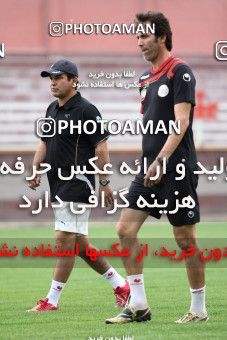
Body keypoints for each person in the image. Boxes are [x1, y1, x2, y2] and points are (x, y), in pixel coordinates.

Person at [106, 12, 208, 324]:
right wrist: (151, 162)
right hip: (149, 169)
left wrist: (162, 160)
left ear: (161, 37)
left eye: (144, 37)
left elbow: (181, 122)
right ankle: (138, 305)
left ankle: (199, 310)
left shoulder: (181, 71)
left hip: (175, 168)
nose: (139, 43)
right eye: (136, 37)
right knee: (125, 230)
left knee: (184, 238)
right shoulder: (144, 80)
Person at [27, 59, 130, 312]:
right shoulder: (51, 109)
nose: (52, 82)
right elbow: (44, 141)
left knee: (63, 241)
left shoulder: (87, 110)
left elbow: (101, 145)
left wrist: (105, 181)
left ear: (74, 80)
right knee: (80, 245)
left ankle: (51, 301)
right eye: (50, 78)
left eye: (58, 77)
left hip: (78, 182)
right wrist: (35, 168)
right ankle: (121, 285)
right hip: (57, 184)